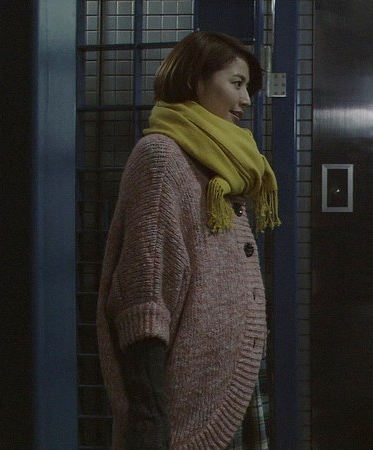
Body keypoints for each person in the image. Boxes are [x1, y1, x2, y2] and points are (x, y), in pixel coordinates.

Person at [96, 31, 280, 449]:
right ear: (195, 81)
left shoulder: (220, 158)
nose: (246, 100)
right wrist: (150, 419)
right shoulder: (163, 157)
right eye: (236, 83)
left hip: (227, 383)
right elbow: (144, 295)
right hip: (188, 403)